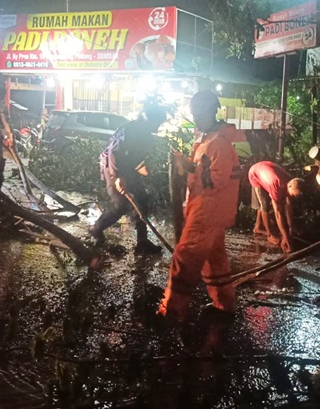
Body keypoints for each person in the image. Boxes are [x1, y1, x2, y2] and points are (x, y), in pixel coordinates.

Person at [159, 91, 241, 323]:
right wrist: (188, 165)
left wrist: (188, 167)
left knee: (185, 257)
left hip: (209, 211)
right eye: (194, 114)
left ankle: (171, 310)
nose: (196, 119)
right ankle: (224, 304)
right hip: (206, 209)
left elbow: (216, 181)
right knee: (214, 261)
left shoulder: (219, 145)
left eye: (199, 114)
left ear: (211, 111)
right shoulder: (206, 141)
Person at [89, 104, 169, 254]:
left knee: (141, 198)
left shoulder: (145, 133)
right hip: (113, 167)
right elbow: (114, 153)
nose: (157, 126)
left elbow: (134, 156)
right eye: (156, 122)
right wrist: (118, 177)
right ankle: (96, 228)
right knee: (121, 204)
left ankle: (142, 243)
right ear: (147, 118)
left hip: (127, 169)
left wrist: (141, 168)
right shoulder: (130, 131)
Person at [248, 161, 304, 253]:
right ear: (289, 186)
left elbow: (289, 206)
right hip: (255, 173)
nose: (292, 197)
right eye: (293, 195)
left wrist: (290, 227)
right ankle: (269, 235)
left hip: (266, 169)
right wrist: (286, 237)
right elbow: (278, 213)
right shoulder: (276, 186)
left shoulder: (291, 181)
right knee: (264, 205)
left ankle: (257, 227)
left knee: (265, 203)